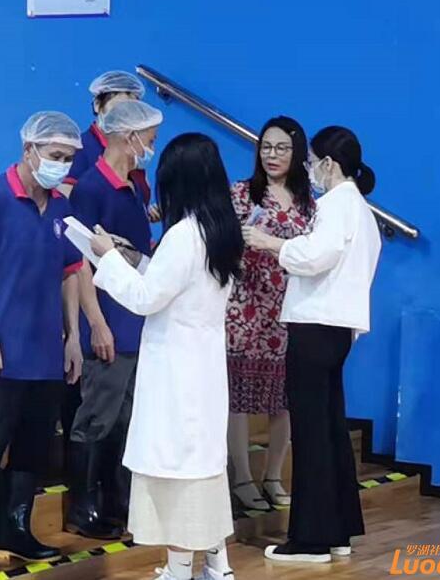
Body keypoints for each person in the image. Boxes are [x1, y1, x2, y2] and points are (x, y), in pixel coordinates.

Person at [89, 133, 243, 580]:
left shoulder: (183, 235)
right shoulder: (219, 230)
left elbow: (145, 299)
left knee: (178, 474)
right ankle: (217, 566)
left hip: (177, 370)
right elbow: (172, 284)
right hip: (201, 366)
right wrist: (133, 257)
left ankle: (178, 571)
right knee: (202, 468)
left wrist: (106, 259)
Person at [0, 112, 85, 579]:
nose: (61, 165)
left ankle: (16, 530)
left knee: (34, 448)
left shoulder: (61, 209)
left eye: (67, 158)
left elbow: (71, 273)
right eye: (54, 155)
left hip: (44, 354)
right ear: (29, 150)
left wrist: (73, 336)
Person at [242, 126, 381, 564]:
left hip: (316, 327)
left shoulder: (337, 205)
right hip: (336, 330)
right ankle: (337, 530)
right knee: (329, 429)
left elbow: (317, 256)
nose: (309, 170)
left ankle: (311, 538)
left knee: (311, 433)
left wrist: (270, 243)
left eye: (311, 161)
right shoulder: (359, 209)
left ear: (328, 164)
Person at [65, 99, 164, 541]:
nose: (151, 147)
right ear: (129, 137)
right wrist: (96, 322)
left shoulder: (134, 187)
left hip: (135, 316)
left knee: (125, 417)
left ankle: (116, 499)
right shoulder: (92, 188)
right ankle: (82, 505)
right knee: (97, 415)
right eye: (149, 139)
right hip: (108, 318)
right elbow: (81, 261)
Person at [225, 116, 314, 513]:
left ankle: (274, 476)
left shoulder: (309, 202)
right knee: (238, 398)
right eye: (266, 147)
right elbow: (223, 242)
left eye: (281, 148)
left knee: (285, 399)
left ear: (297, 153)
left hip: (289, 307)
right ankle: (242, 478)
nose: (272, 155)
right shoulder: (242, 193)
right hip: (244, 306)